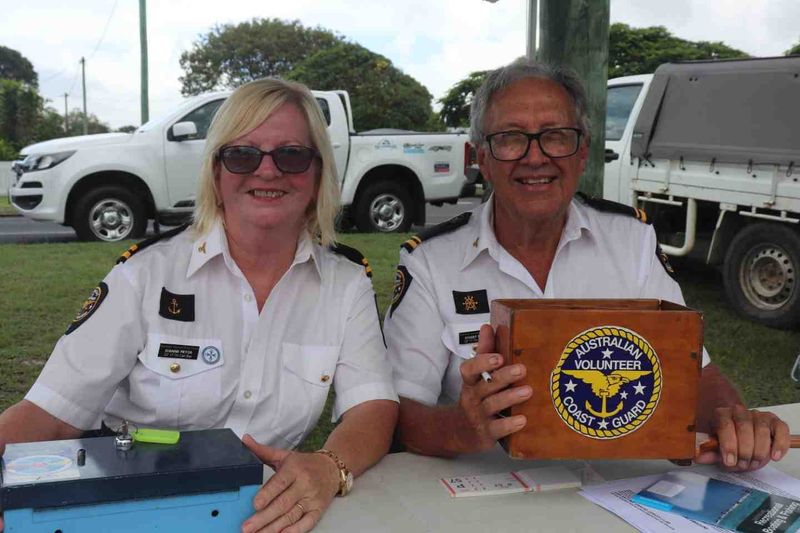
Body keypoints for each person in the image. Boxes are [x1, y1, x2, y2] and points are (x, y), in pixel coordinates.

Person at [0, 78, 398, 532]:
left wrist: (329, 466)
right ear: (216, 172)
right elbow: (50, 413)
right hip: (135, 510)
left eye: (291, 154)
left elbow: (373, 407)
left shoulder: (345, 283)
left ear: (319, 172)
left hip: (267, 512)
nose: (267, 172)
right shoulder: (147, 274)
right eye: (243, 155)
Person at [384, 59, 790, 470]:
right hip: (483, 494)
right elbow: (397, 413)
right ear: (482, 158)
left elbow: (693, 373)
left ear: (583, 152)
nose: (535, 157)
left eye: (556, 136)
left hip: (617, 488)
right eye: (510, 138)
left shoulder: (631, 240)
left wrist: (734, 420)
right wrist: (460, 427)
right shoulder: (431, 262)